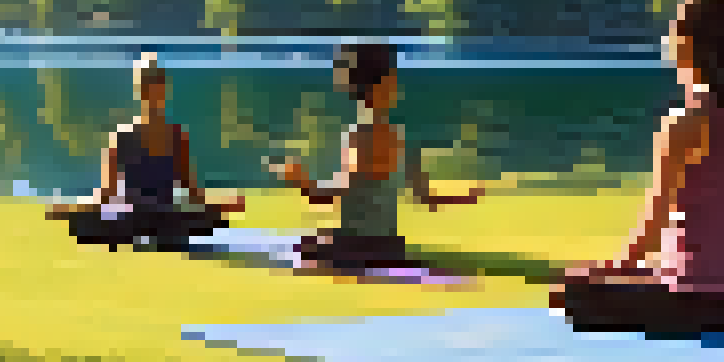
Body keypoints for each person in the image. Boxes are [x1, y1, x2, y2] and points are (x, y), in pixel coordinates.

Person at [553, 0, 724, 333]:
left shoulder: (688, 120)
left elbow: (655, 222)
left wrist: (618, 269)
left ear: (689, 45)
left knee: (573, 289)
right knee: (623, 281)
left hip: (701, 299)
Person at [264, 42, 481, 271]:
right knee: (315, 237)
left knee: (298, 247)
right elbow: (426, 198)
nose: (398, 86)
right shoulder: (400, 138)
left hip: (359, 247)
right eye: (394, 78)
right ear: (382, 86)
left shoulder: (359, 136)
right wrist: (463, 197)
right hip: (390, 244)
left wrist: (301, 180)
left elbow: (326, 197)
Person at [49, 53, 246, 250]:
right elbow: (106, 194)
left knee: (92, 222)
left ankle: (144, 234)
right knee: (201, 221)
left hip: (153, 216)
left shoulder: (169, 136)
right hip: (146, 217)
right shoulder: (128, 136)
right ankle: (157, 234)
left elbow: (190, 193)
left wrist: (220, 205)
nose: (152, 93)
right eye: (149, 87)